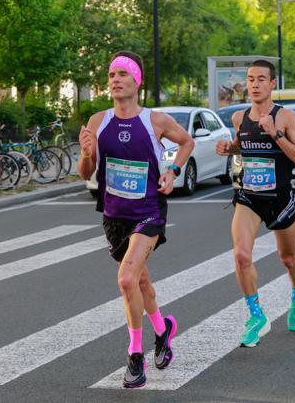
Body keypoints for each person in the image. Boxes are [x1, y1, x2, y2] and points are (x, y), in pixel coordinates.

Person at [78, 51, 194, 388]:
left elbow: (186, 142)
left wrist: (172, 170)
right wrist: (86, 154)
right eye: (111, 74)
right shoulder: (97, 121)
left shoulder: (154, 121)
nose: (115, 80)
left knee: (127, 279)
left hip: (149, 212)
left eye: (122, 74)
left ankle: (134, 356)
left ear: (136, 82)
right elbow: (86, 172)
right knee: (140, 282)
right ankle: (163, 329)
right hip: (115, 216)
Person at [215, 59, 295, 348]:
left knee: (288, 259)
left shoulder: (286, 117)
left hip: (280, 199)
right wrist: (229, 149)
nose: (254, 84)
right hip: (249, 197)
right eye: (250, 79)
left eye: (260, 79)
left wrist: (275, 133)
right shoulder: (239, 118)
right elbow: (243, 145)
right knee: (241, 256)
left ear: (272, 84)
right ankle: (256, 315)